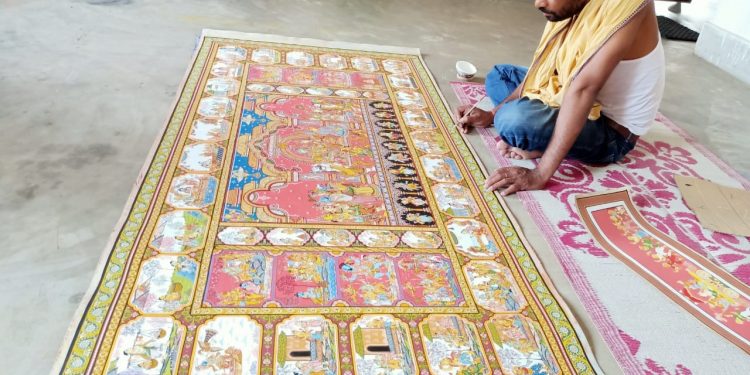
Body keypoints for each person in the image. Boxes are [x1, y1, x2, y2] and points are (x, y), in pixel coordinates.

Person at [456, 0, 665, 196]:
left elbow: (583, 89)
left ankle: (540, 146)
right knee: (501, 75)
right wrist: (492, 113)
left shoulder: (628, 4)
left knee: (513, 121)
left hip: (610, 132)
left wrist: (540, 174)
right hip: (570, 92)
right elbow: (543, 71)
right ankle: (539, 135)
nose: (539, 3)